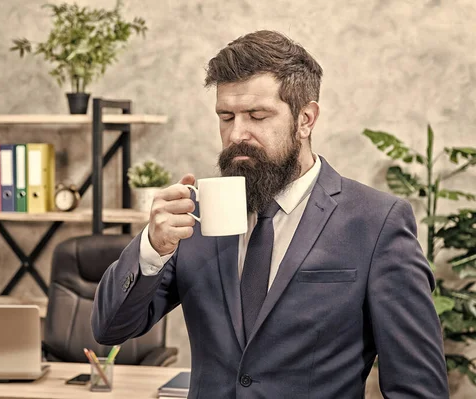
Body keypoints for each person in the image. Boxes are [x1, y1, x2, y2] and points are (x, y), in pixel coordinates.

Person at [91, 30, 449, 398]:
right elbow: (110, 330)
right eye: (226, 116)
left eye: (257, 116)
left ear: (306, 119)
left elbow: (418, 388)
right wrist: (152, 248)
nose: (236, 134)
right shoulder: (192, 216)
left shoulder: (376, 222)